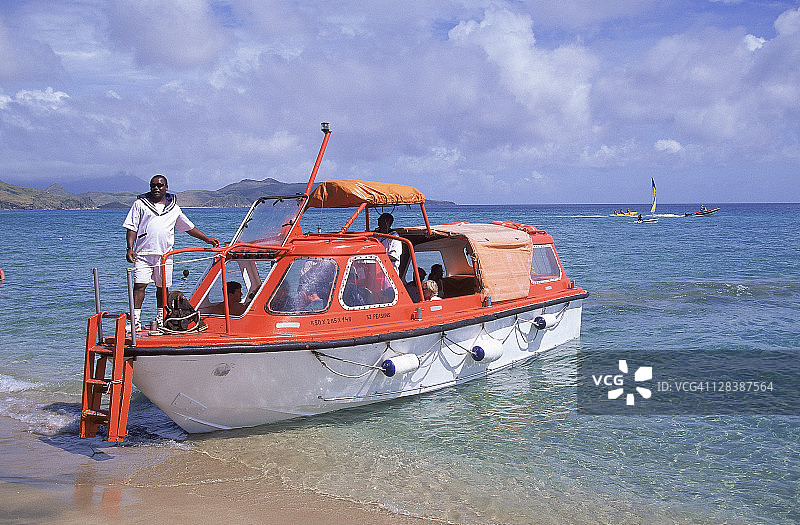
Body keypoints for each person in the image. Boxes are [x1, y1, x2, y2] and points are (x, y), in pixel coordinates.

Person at [124, 174, 219, 331]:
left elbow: (188, 227)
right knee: (139, 285)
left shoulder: (173, 208)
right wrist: (130, 248)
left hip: (165, 255)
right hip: (143, 254)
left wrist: (206, 239)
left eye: (160, 185)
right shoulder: (140, 204)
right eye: (153, 185)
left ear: (166, 187)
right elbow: (131, 227)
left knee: (162, 288)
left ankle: (161, 318)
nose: (156, 188)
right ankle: (134, 321)